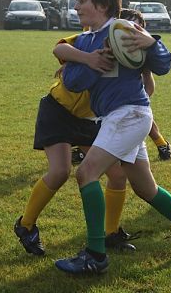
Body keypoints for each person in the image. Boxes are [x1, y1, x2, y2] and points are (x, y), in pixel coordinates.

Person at [53, 0, 171, 275]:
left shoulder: (121, 29)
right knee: (146, 188)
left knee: (86, 173)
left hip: (130, 114)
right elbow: (71, 82)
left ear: (102, 4)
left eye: (82, 1)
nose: (76, 7)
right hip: (121, 118)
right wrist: (91, 61)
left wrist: (152, 44)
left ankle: (95, 256)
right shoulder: (86, 40)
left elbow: (162, 65)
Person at [13, 29, 140, 257]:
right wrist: (86, 58)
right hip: (58, 110)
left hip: (90, 120)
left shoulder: (132, 56)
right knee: (61, 171)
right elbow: (59, 48)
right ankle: (26, 224)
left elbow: (145, 90)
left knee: (118, 175)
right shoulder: (91, 37)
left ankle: (111, 233)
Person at [120, 8, 171, 160]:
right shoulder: (110, 40)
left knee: (141, 114)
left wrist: (143, 98)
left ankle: (162, 144)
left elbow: (150, 79)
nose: (133, 31)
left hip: (133, 96)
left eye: (138, 27)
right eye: (129, 26)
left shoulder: (142, 48)